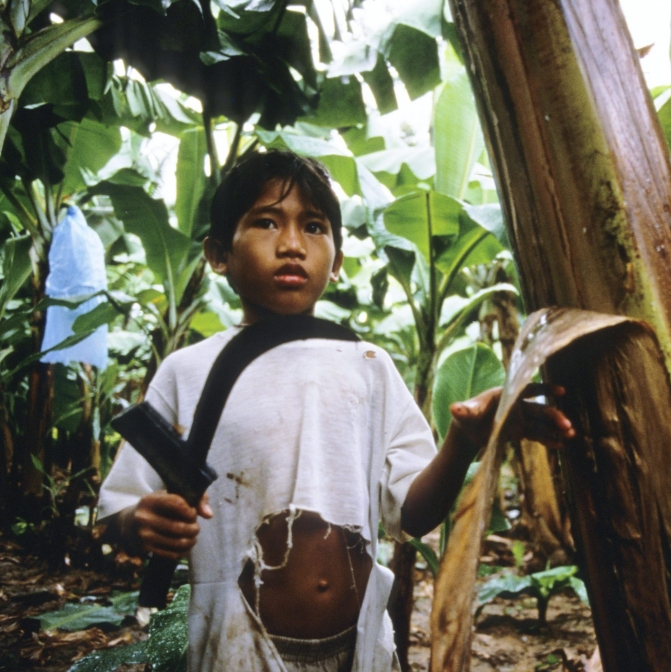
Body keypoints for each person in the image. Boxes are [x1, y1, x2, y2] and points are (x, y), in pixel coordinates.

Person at [96, 150, 574, 672]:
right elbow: (120, 507)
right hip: (235, 650)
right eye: (265, 222)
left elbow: (410, 514)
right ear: (217, 254)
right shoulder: (188, 373)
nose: (292, 245)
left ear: (338, 260)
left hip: (360, 652)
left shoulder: (367, 367)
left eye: (315, 227)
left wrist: (463, 443)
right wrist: (137, 522)